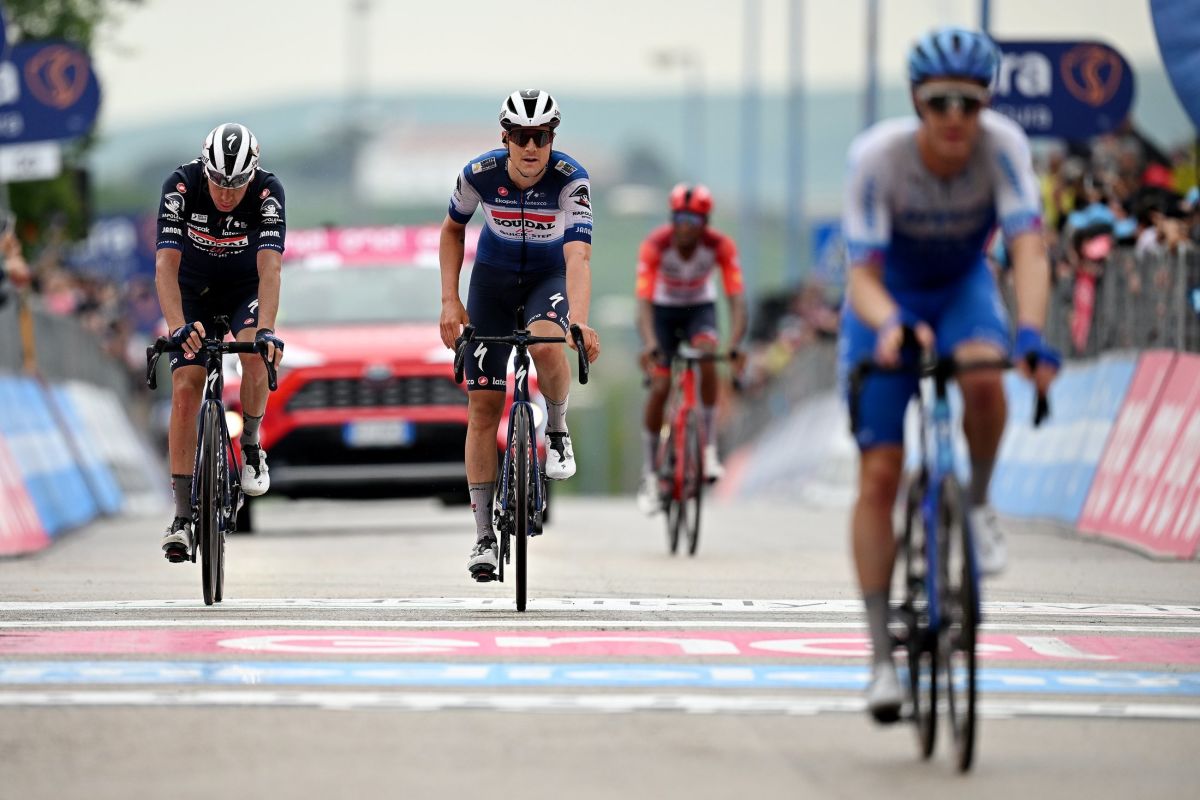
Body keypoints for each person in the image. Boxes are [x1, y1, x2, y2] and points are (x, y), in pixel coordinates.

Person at [838, 28, 1060, 722]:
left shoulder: (1004, 147)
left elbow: (1029, 248)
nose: (956, 116)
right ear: (917, 103)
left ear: (987, 103)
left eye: (970, 101)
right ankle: (882, 663)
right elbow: (861, 276)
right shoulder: (878, 158)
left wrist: (1031, 333)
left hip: (964, 290)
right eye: (940, 102)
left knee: (985, 377)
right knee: (879, 475)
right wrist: (891, 324)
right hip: (887, 299)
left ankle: (980, 503)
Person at [438, 90, 601, 582]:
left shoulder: (571, 180)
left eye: (542, 137)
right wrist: (450, 300)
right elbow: (451, 231)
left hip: (548, 279)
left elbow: (578, 255)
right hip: (492, 282)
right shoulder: (478, 174)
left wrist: (579, 320)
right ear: (505, 137)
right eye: (521, 137)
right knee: (484, 408)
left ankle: (557, 430)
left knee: (548, 344)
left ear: (553, 137)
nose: (531, 147)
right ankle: (483, 537)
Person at [154, 123, 286, 562]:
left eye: (237, 183)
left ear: (253, 173)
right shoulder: (181, 186)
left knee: (255, 356)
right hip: (191, 290)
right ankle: (180, 516)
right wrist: (177, 327)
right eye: (218, 182)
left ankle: (250, 444)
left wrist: (266, 330)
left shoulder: (267, 192)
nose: (227, 194)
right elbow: (165, 267)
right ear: (204, 169)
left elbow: (270, 269)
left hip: (243, 289)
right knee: (186, 387)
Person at [634, 184, 746, 514]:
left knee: (708, 356)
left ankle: (708, 449)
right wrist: (651, 344)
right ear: (672, 219)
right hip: (662, 314)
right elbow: (643, 304)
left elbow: (737, 301)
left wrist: (735, 343)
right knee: (660, 386)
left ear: (705, 224)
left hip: (699, 310)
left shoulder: (720, 246)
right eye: (679, 219)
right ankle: (650, 473)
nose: (685, 227)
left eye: (693, 221)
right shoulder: (655, 245)